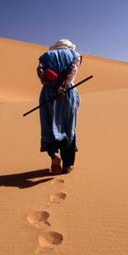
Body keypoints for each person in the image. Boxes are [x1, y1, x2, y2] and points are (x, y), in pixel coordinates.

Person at [36, 39, 82, 175]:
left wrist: (54, 86)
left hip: (48, 93)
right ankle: (67, 164)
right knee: (69, 125)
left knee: (49, 124)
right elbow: (72, 72)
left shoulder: (44, 57)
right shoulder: (75, 56)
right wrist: (61, 86)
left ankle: (54, 155)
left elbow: (41, 73)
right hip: (67, 93)